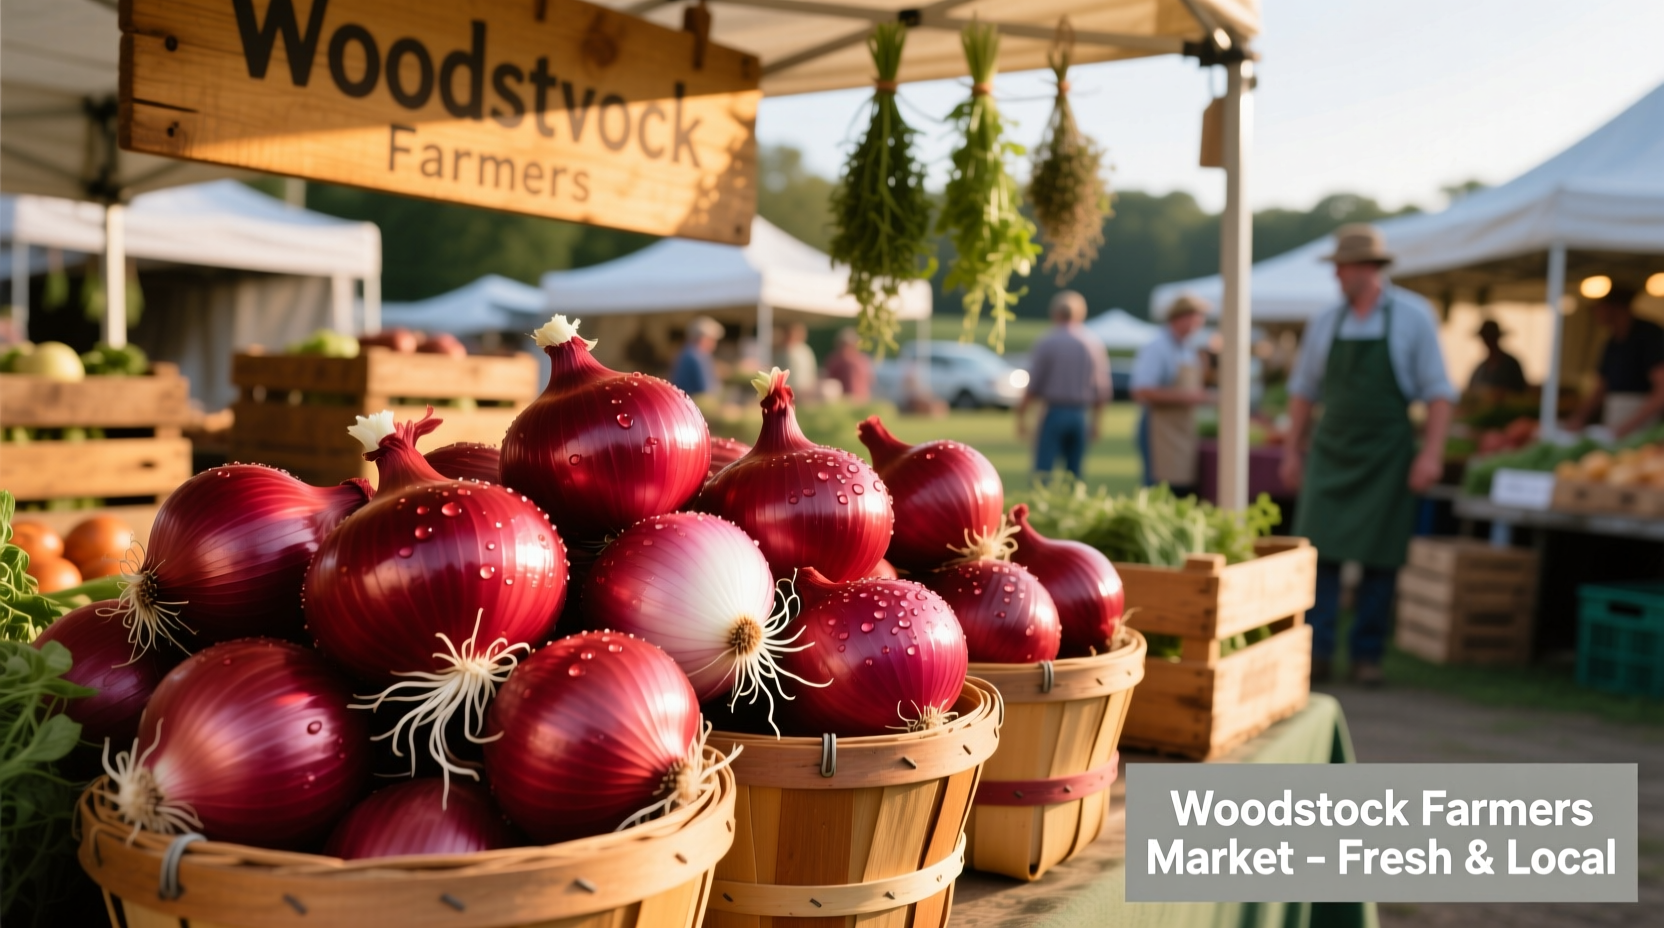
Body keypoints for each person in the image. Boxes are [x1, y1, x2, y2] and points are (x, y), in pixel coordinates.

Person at [1278, 224, 1455, 688]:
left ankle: (1368, 655)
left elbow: (1439, 393)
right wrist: (1293, 451)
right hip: (1331, 451)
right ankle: (1316, 653)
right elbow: (1303, 391)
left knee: (1382, 556)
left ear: (1368, 268)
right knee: (1320, 554)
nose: (1336, 275)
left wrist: (1431, 454)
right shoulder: (1325, 321)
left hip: (1387, 453)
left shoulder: (1415, 316)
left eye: (1342, 266)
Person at [1017, 291, 1111, 478]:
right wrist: (1097, 422)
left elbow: (1033, 385)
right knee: (1075, 474)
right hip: (1080, 414)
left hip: (1053, 412)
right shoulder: (1093, 343)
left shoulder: (1047, 341)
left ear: (1055, 313)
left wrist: (1021, 415)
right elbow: (1102, 389)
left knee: (1043, 472)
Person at [1131, 292, 1213, 496]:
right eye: (1197, 317)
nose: (1200, 323)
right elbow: (1141, 391)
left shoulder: (1187, 349)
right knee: (1157, 490)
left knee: (1179, 489)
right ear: (1181, 317)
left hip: (1181, 429)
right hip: (1158, 429)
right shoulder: (1157, 347)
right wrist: (1188, 397)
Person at [1562, 288, 1664, 438]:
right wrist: (1578, 418)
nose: (1595, 312)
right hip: (1617, 422)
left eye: (1598, 306)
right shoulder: (1612, 342)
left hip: (1645, 427)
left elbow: (1661, 389)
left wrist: (1628, 426)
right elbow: (1601, 387)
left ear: (1614, 307)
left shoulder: (1649, 336)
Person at [1466, 319, 1528, 394]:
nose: (1487, 341)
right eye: (1486, 337)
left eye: (1490, 337)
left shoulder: (1510, 364)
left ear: (1496, 338)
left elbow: (1520, 391)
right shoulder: (1481, 368)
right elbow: (1471, 390)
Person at [670, 316, 724, 396]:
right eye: (712, 339)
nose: (714, 344)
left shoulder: (688, 351)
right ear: (703, 338)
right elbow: (706, 389)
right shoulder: (696, 356)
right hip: (692, 401)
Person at [822, 327, 873, 400]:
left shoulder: (837, 359)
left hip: (848, 400)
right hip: (858, 399)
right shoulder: (863, 359)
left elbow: (828, 381)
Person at [775, 323, 818, 391]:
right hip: (786, 388)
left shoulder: (805, 350)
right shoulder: (779, 351)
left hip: (805, 388)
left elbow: (812, 372)